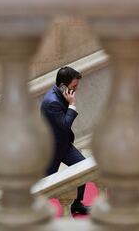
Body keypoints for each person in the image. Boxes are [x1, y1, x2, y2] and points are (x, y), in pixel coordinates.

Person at [40, 66, 89, 215]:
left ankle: (76, 204)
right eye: (74, 86)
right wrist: (72, 105)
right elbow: (64, 125)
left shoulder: (60, 94)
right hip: (51, 149)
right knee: (43, 186)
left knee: (83, 167)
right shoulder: (52, 102)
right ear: (63, 86)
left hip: (63, 145)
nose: (77, 88)